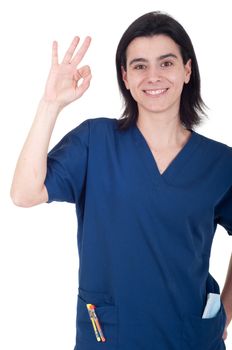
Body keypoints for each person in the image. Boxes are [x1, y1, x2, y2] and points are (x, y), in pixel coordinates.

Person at [10, 10, 232, 350]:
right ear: (125, 77)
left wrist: (225, 314)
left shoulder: (220, 162)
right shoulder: (94, 141)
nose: (153, 76)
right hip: (111, 336)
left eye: (167, 63)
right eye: (140, 66)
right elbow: (25, 193)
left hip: (191, 338)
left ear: (187, 70)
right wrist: (50, 104)